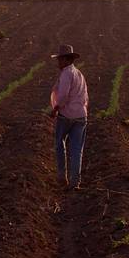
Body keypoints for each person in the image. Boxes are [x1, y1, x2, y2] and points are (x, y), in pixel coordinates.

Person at [49, 44, 88, 190]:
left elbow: (63, 95)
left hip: (66, 115)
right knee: (77, 150)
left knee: (60, 144)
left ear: (66, 60)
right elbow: (85, 96)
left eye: (60, 59)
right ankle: (75, 182)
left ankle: (62, 177)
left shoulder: (66, 74)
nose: (58, 62)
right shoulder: (79, 74)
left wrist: (56, 109)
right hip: (81, 115)